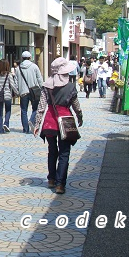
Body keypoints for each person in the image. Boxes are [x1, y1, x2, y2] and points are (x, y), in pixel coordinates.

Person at [34, 57, 83, 194]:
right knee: (64, 153)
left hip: (49, 122)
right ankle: (60, 184)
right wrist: (80, 117)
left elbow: (41, 106)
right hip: (65, 121)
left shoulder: (47, 86)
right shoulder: (71, 87)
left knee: (52, 150)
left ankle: (51, 179)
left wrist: (37, 124)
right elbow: (76, 106)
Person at [17, 50, 44, 133]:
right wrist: (42, 88)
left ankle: (25, 129)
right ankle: (32, 121)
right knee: (35, 109)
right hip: (34, 91)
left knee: (23, 110)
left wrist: (17, 91)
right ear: (30, 58)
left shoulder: (18, 68)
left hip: (23, 92)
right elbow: (39, 78)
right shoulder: (34, 66)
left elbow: (16, 81)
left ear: (22, 58)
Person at [0, 58, 18, 133]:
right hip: (7, 95)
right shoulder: (9, 74)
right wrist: (17, 93)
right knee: (8, 110)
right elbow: (12, 85)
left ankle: (0, 130)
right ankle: (6, 123)